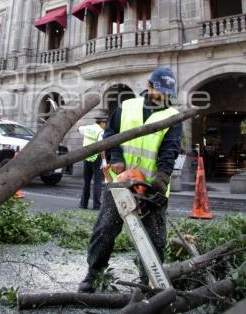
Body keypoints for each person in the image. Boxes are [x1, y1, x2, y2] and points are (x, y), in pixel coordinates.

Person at [78, 67, 182, 292]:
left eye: (167, 93)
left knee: (154, 238)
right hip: (120, 183)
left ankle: (149, 281)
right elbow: (111, 135)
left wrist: (162, 178)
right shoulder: (126, 107)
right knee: (105, 229)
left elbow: (170, 150)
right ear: (149, 86)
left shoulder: (173, 117)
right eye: (159, 91)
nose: (163, 97)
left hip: (152, 186)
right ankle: (94, 275)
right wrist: (116, 157)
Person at [78, 116, 108, 210]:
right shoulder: (100, 132)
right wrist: (103, 160)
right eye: (105, 124)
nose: (106, 126)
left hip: (87, 159)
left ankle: (83, 204)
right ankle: (96, 205)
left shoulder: (87, 128)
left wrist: (78, 122)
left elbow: (78, 128)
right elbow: (101, 147)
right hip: (96, 159)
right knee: (97, 183)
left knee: (86, 182)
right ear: (102, 123)